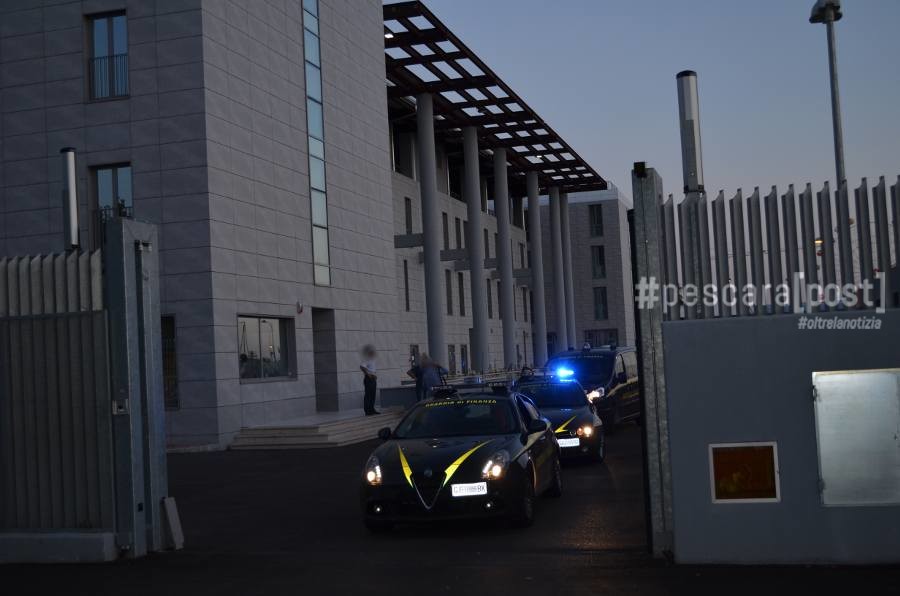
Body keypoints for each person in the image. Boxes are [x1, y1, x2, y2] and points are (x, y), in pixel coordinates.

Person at [360, 345, 379, 415]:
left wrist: (374, 376)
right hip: (369, 379)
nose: (373, 353)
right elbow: (362, 367)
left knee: (373, 394)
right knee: (368, 395)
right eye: (372, 352)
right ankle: (367, 411)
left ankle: (372, 409)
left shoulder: (373, 360)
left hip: (373, 379)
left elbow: (372, 369)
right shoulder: (367, 359)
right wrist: (368, 375)